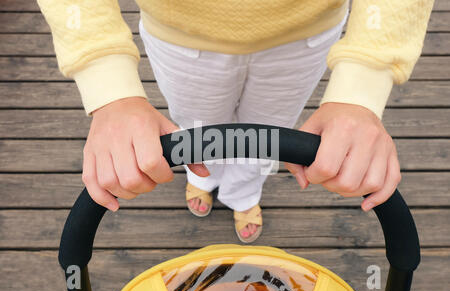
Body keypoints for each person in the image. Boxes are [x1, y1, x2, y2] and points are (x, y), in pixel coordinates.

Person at [38, 0, 433, 243]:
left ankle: (244, 194)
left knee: (269, 132)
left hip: (305, 34)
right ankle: (202, 178)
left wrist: (363, 86)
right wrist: (109, 88)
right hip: (180, 34)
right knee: (194, 129)